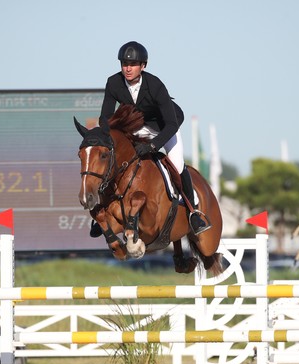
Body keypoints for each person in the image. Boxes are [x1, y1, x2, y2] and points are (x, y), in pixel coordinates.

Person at [90, 41, 210, 237]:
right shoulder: (113, 82)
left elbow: (172, 123)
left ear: (143, 66)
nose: (128, 68)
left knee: (178, 165)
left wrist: (154, 145)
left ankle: (194, 212)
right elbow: (105, 117)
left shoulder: (154, 85)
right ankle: (103, 211)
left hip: (165, 127)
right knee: (115, 160)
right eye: (124, 64)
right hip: (137, 127)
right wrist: (106, 135)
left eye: (133, 64)